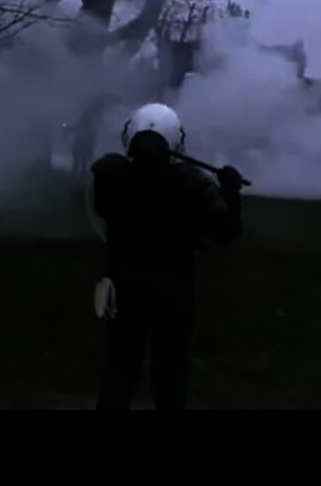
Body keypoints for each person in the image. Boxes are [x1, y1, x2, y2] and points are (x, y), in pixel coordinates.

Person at [88, 102, 244, 410]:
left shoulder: (108, 175)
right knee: (170, 373)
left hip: (122, 286)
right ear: (176, 139)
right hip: (173, 288)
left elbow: (102, 215)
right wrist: (230, 191)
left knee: (120, 370)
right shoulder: (191, 182)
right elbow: (226, 230)